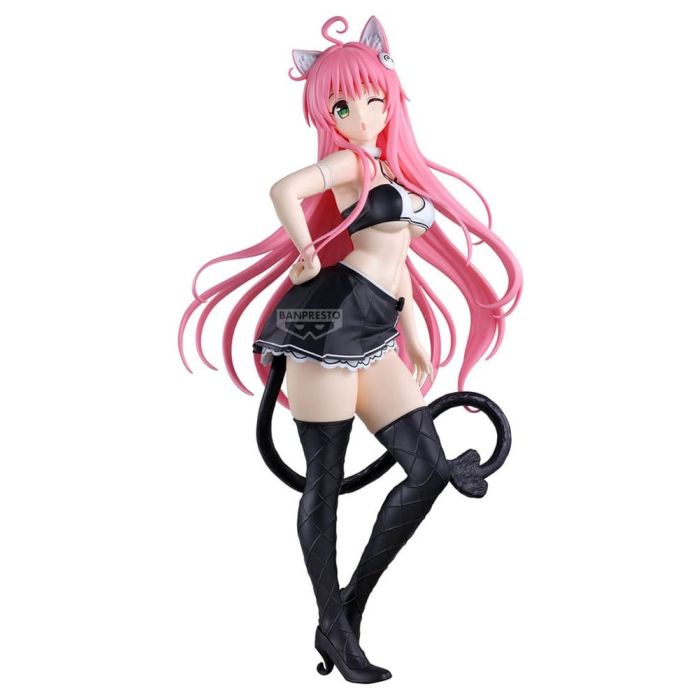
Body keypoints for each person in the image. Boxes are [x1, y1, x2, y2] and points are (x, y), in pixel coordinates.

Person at [178, 15, 522, 684]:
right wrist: (306, 248)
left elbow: (401, 262)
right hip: (330, 324)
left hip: (379, 322)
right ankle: (333, 621)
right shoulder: (350, 164)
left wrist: (414, 331)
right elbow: (283, 190)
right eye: (343, 107)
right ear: (328, 116)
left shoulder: (394, 169)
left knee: (427, 471)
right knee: (326, 482)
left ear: (391, 98)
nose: (361, 116)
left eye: (372, 99)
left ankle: (348, 609)